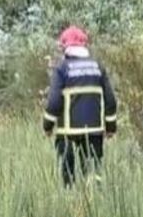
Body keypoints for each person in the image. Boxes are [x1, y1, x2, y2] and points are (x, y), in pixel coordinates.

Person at [42, 25, 117, 185]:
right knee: (93, 176)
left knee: (67, 177)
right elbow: (110, 100)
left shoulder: (62, 69)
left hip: (67, 133)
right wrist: (110, 128)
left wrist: (47, 126)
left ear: (65, 47)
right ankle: (94, 202)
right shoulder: (98, 67)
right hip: (94, 132)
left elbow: (54, 102)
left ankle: (71, 204)